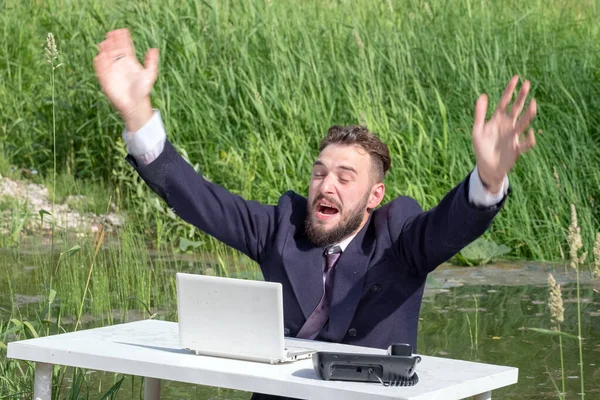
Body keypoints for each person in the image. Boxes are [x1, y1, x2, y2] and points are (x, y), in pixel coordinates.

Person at [94, 28, 537, 399]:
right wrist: (138, 115)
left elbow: (448, 226)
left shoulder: (398, 237)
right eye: (319, 172)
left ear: (373, 195)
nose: (326, 185)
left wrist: (488, 180)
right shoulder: (282, 225)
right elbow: (199, 199)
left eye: (346, 177)